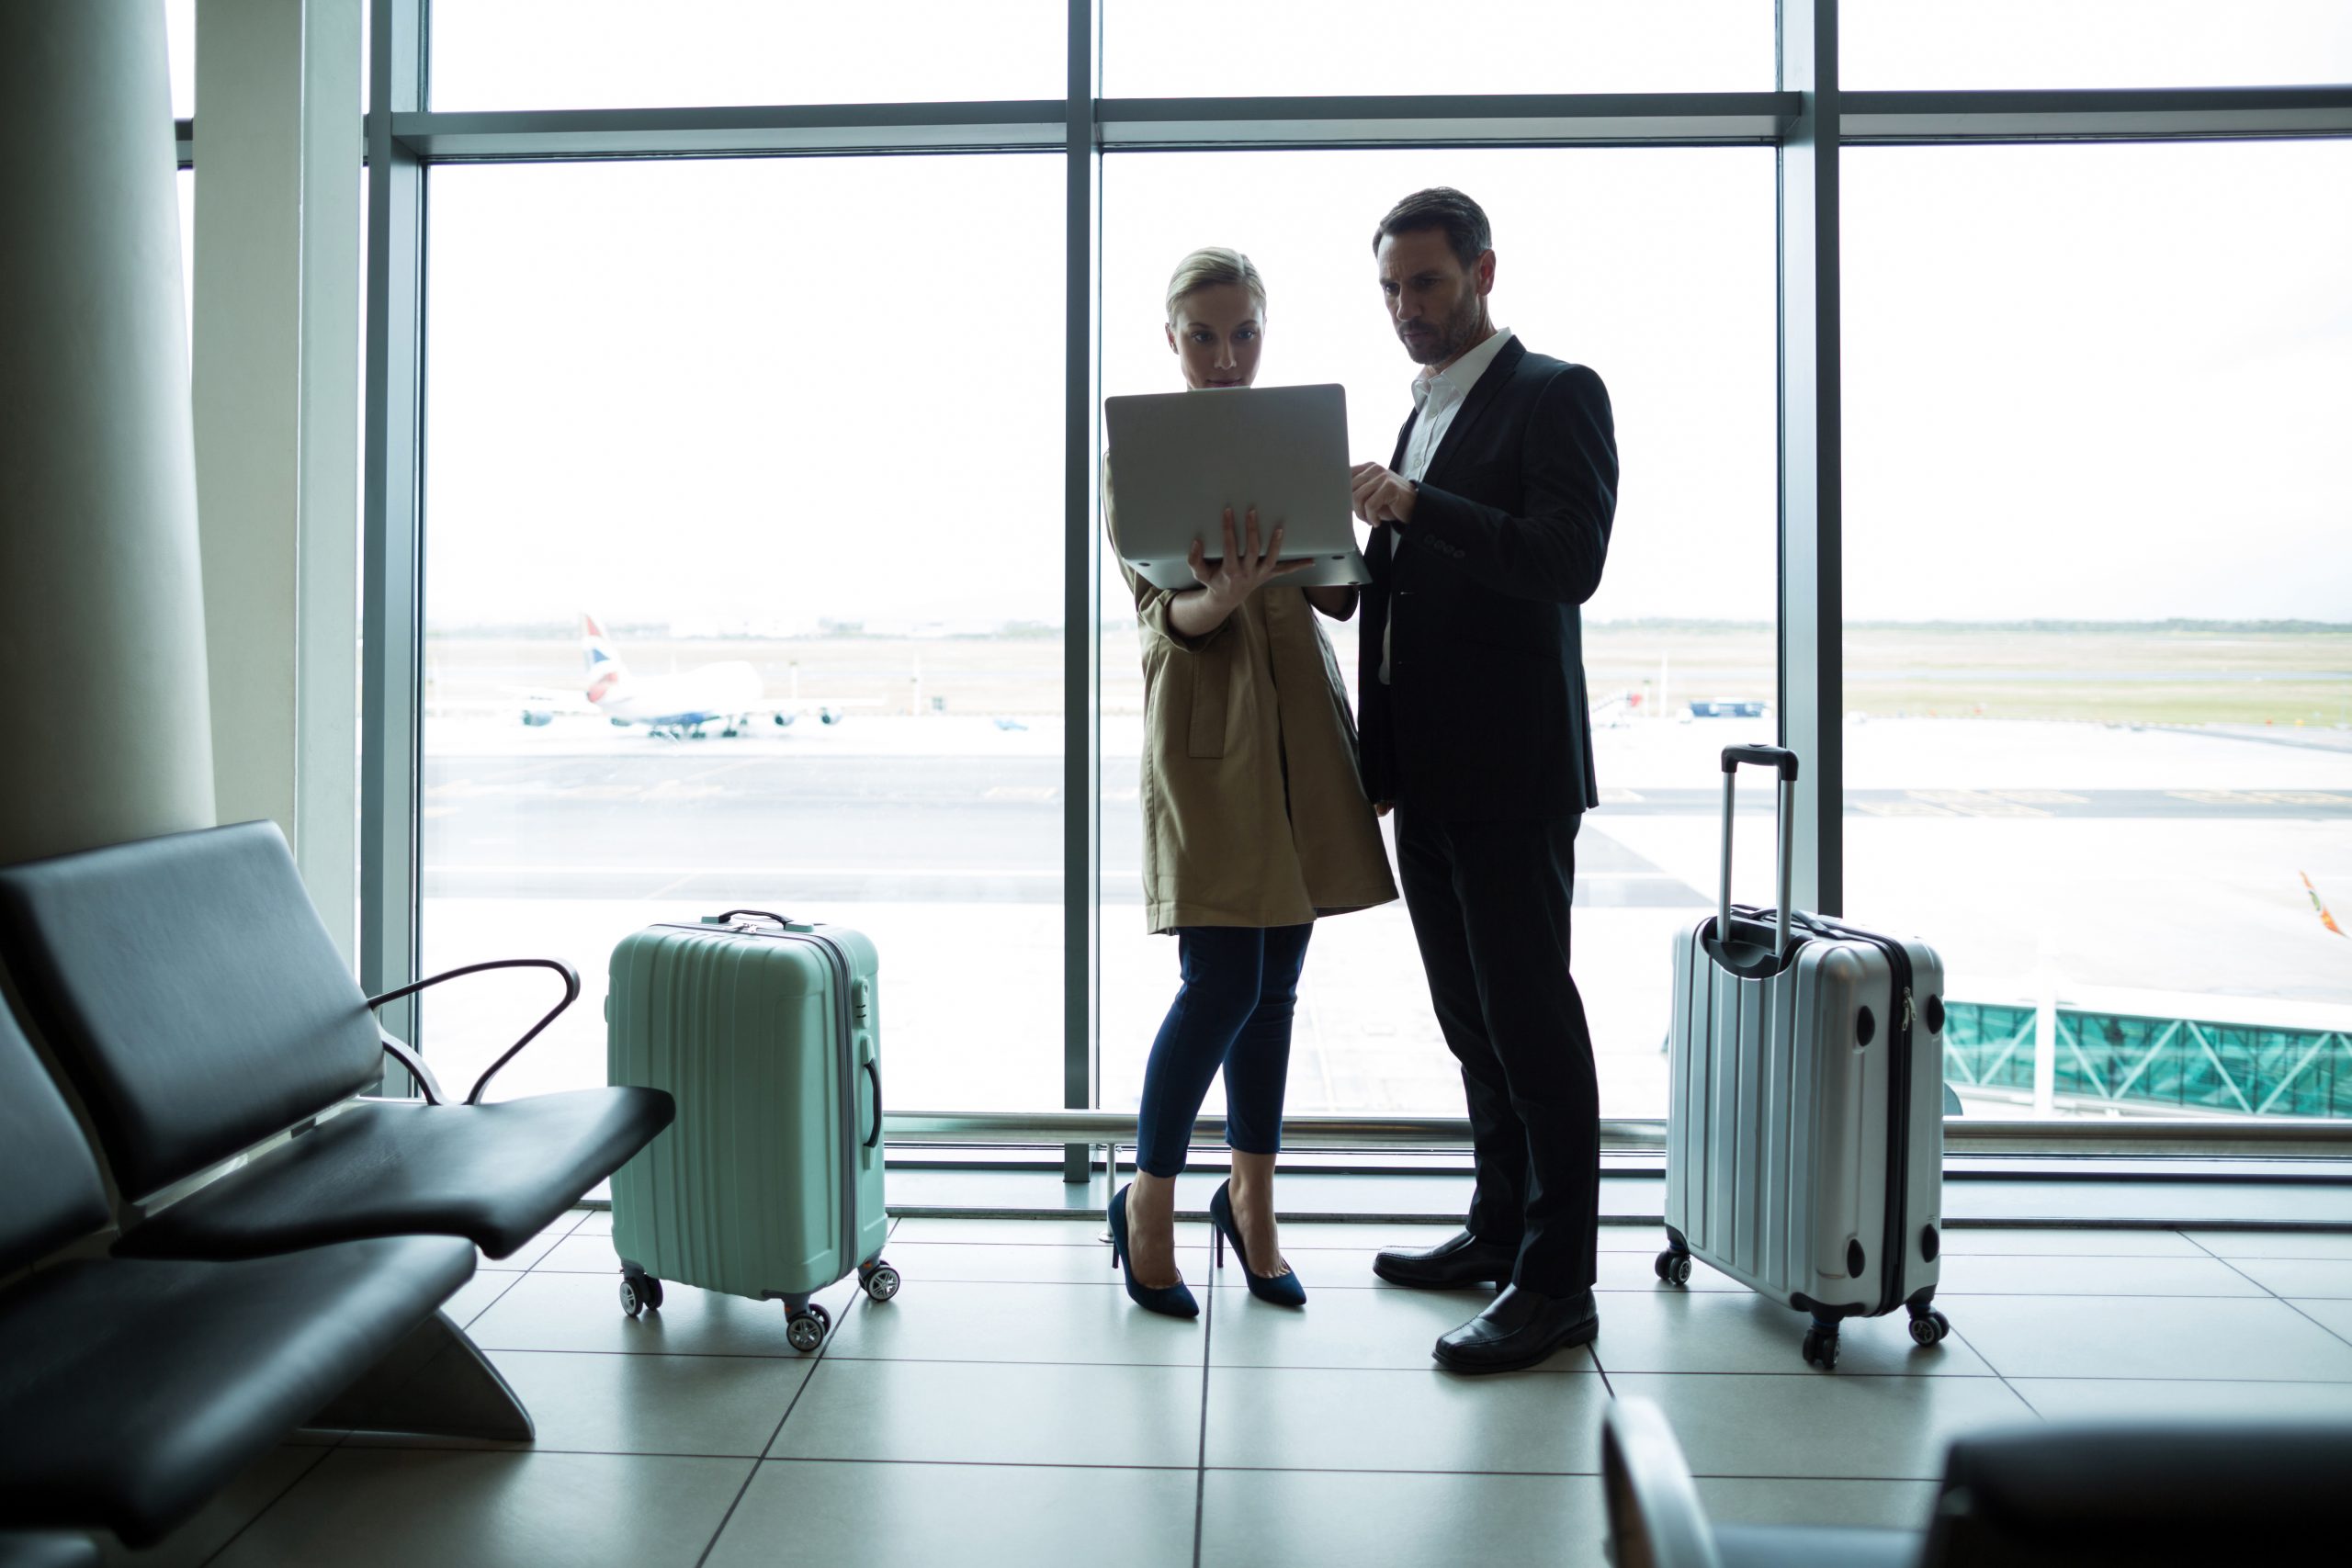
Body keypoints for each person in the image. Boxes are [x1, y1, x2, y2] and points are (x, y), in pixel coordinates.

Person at [1347, 188, 1620, 1372]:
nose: (1408, 309)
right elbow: (1408, 592)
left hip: (1512, 775)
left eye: (1427, 284)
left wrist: (1416, 503)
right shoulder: (1421, 416)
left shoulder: (1554, 393)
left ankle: (1558, 1285)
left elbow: (1568, 561)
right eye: (1392, 290)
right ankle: (1499, 1229)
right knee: (1473, 1028)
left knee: (1531, 1024)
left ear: (1483, 272)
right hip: (1432, 775)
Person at [1103, 246, 1399, 1318]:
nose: (1225, 356)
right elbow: (1159, 618)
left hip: (1302, 737)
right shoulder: (1138, 454)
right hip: (1208, 735)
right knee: (1219, 984)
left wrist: (1333, 527)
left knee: (1275, 988)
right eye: (1204, 336)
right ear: (1171, 339)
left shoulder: (1290, 442)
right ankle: (1148, 1206)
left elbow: (1336, 601)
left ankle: (1253, 1203)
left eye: (1243, 335)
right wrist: (1217, 600)